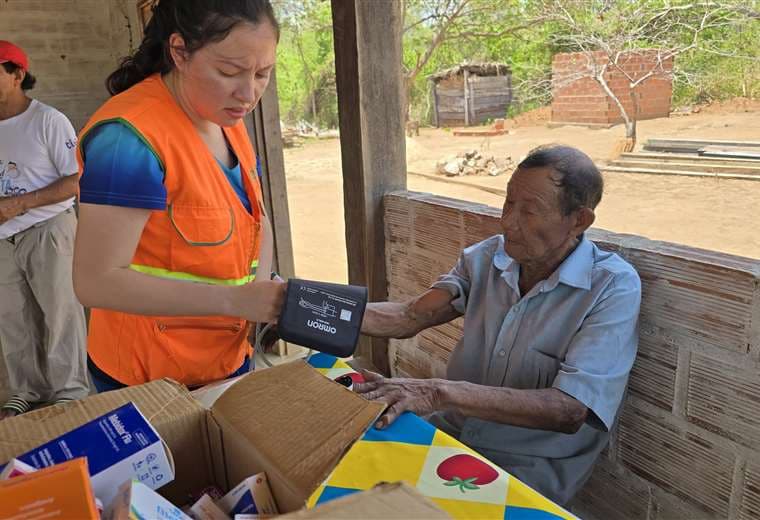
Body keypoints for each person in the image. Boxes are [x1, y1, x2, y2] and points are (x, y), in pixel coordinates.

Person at [357, 145, 641, 505]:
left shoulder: (612, 287)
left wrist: (435, 392)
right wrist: (303, 307)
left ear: (579, 220)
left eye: (529, 211)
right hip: (451, 440)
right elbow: (410, 316)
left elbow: (569, 409)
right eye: (508, 203)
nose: (507, 222)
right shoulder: (488, 258)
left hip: (524, 473)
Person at [73, 0, 285, 392]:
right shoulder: (128, 140)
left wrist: (260, 292)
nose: (248, 93)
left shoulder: (223, 116)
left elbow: (255, 215)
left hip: (225, 355)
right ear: (179, 52)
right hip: (149, 376)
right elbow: (95, 281)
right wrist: (237, 301)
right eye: (229, 71)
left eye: (263, 74)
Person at [0, 41, 89, 418]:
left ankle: (70, 391)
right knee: (12, 318)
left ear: (18, 74)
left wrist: (20, 203)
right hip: (4, 238)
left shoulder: (47, 120)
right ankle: (25, 391)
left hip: (48, 228)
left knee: (60, 313)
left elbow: (78, 179)